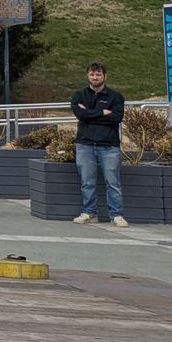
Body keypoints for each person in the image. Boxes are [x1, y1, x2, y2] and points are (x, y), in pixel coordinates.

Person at [71, 61, 127, 227]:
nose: (95, 77)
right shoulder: (79, 95)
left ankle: (116, 215)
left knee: (113, 182)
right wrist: (103, 112)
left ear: (105, 76)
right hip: (85, 145)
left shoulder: (116, 97)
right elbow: (81, 115)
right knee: (87, 182)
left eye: (98, 74)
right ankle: (89, 213)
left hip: (109, 146)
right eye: (92, 74)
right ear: (88, 76)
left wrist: (90, 114)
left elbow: (116, 118)